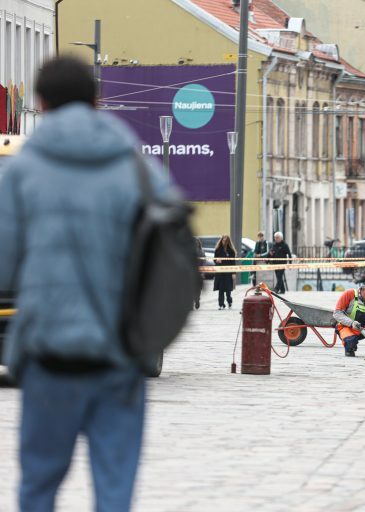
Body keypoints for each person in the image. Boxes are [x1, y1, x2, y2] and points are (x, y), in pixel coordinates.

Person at [0, 57, 170, 511]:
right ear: (96, 102)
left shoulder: (20, 170)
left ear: (40, 103)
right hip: (119, 353)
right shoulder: (136, 167)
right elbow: (171, 248)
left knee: (38, 483)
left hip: (47, 352)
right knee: (114, 488)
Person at [333, 278, 365, 357]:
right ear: (363, 289)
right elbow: (337, 314)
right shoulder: (349, 294)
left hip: (363, 331)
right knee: (350, 344)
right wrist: (352, 323)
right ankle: (350, 345)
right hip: (346, 327)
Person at [213, 235, 236, 309]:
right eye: (223, 240)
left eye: (225, 240)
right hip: (219, 272)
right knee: (221, 289)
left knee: (228, 290)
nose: (224, 242)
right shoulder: (218, 249)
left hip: (228, 272)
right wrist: (216, 260)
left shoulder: (231, 251)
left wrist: (233, 273)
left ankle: (229, 301)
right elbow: (214, 259)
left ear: (228, 241)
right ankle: (221, 304)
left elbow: (233, 263)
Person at [194, 237, 205, 309]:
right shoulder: (201, 251)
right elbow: (204, 261)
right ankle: (197, 299)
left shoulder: (201, 251)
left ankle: (196, 300)